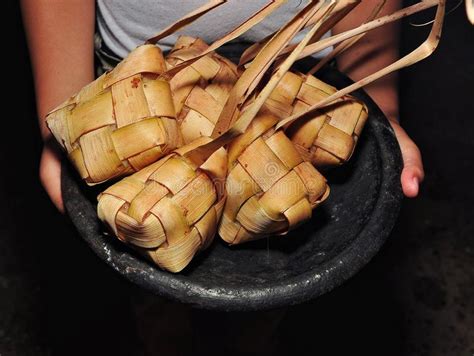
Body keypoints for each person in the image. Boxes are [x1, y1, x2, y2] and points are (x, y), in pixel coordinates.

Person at [20, 0, 423, 213]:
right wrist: (65, 108)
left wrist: (380, 106)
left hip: (304, 87)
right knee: (150, 267)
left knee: (275, 273)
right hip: (131, 93)